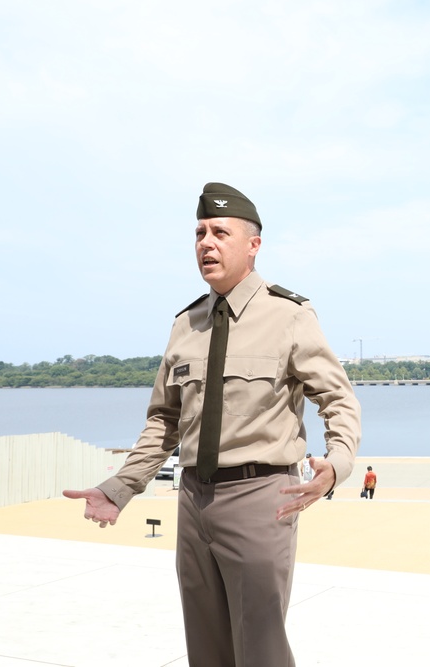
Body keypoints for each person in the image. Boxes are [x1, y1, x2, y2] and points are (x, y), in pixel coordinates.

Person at [64, 182, 361, 667]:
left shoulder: (290, 315)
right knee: (206, 652)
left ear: (253, 245)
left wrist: (338, 463)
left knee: (261, 650)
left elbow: (338, 398)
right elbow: (163, 420)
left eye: (220, 232)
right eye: (200, 233)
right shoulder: (186, 324)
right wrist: (121, 487)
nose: (206, 243)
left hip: (260, 499)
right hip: (193, 501)